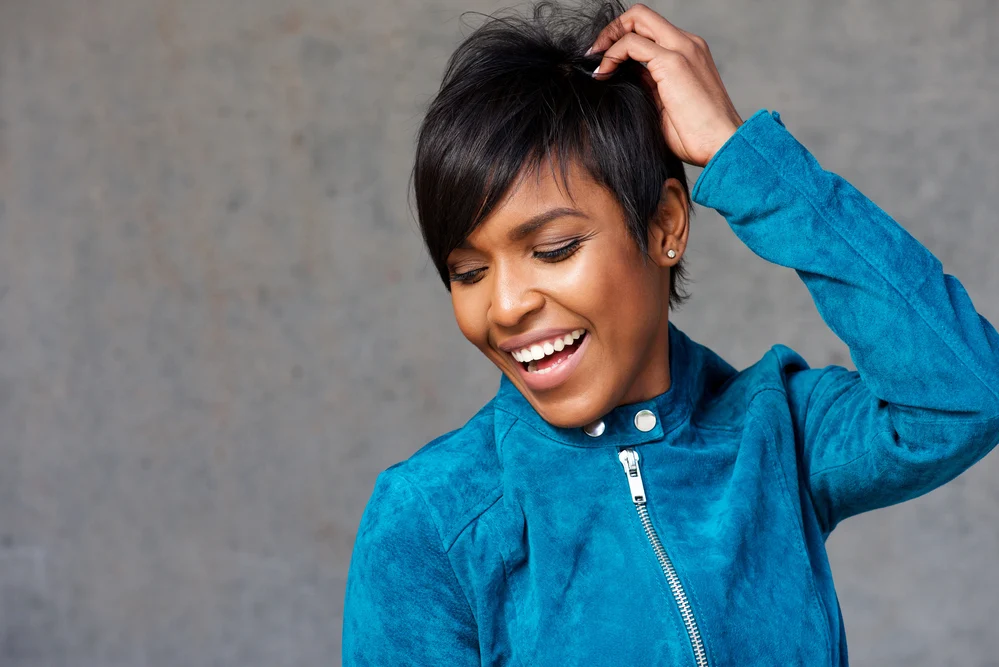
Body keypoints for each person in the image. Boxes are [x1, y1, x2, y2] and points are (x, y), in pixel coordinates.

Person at [341, 1, 999, 664]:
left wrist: (741, 157)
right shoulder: (430, 521)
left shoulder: (777, 434)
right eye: (468, 270)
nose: (504, 306)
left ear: (663, 226)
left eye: (554, 247)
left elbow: (965, 395)